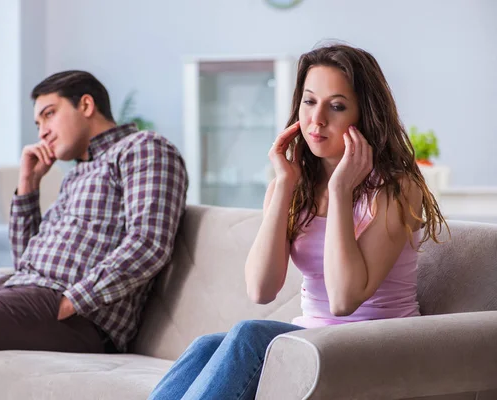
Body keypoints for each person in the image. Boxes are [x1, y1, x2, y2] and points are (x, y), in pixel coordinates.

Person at [148, 44, 447, 400]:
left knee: (249, 337)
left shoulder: (396, 188)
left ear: (364, 116)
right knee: (206, 346)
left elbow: (342, 300)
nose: (317, 119)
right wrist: (284, 187)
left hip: (378, 345)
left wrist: (340, 191)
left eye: (336, 106)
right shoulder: (292, 185)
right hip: (314, 343)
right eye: (309, 101)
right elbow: (261, 290)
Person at [0, 70, 188, 399]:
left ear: (87, 105)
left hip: (71, 312)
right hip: (19, 288)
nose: (42, 132)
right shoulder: (78, 174)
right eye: (37, 124)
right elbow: (25, 262)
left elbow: (148, 244)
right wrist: (28, 186)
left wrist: (74, 300)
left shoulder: (144, 148)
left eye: (49, 114)